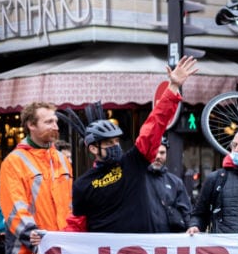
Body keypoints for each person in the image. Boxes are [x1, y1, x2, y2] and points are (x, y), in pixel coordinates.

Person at [67, 58, 198, 233]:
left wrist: (173, 87)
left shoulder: (132, 163)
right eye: (108, 142)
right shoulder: (82, 184)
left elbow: (153, 125)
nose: (115, 145)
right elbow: (76, 226)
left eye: (116, 141)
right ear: (92, 149)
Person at [0, 100, 74, 254]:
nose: (56, 126)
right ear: (31, 125)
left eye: (56, 121)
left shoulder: (61, 160)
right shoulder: (14, 162)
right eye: (48, 121)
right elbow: (15, 211)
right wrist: (43, 242)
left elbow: (69, 206)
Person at [145, 142, 193, 233]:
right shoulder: (137, 179)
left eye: (162, 153)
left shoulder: (176, 182)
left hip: (167, 239)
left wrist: (191, 228)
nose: (158, 156)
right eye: (155, 151)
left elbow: (186, 213)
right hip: (140, 238)